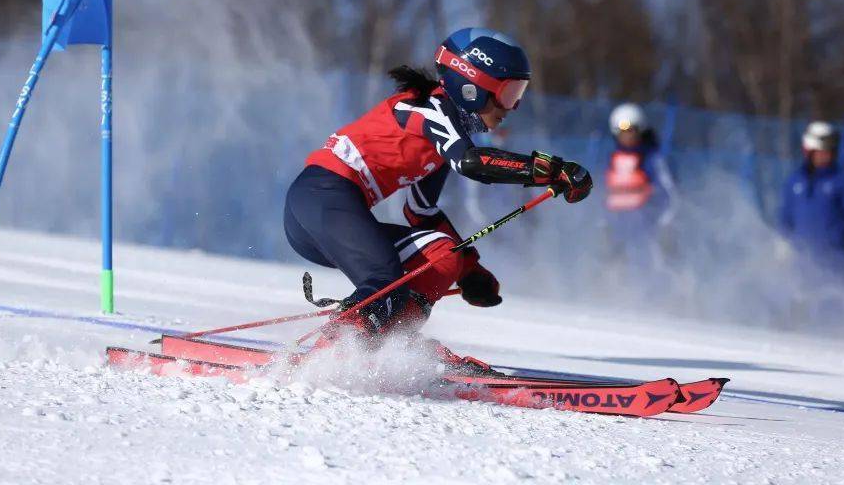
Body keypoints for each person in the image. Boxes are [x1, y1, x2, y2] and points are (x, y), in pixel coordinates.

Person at [283, 28, 592, 370]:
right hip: (321, 197)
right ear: (472, 87)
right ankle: (337, 350)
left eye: (519, 93)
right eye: (508, 93)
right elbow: (471, 162)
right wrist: (548, 170)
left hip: (327, 214)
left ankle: (395, 349)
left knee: (441, 255)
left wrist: (467, 271)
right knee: (385, 281)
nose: (512, 107)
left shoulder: (442, 138)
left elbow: (420, 211)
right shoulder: (432, 110)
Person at [779, 121, 844, 281]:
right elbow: (786, 215)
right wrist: (782, 242)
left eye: (830, 151)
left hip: (836, 262)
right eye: (822, 151)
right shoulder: (794, 181)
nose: (827, 155)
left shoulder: (843, 180)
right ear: (809, 151)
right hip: (801, 264)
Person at [603, 103, 677, 276]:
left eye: (632, 130)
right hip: (619, 227)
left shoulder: (652, 159)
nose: (628, 136)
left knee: (652, 268)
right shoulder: (613, 160)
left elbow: (668, 192)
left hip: (647, 226)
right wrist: (605, 223)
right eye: (623, 131)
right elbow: (605, 194)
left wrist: (665, 222)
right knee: (614, 271)